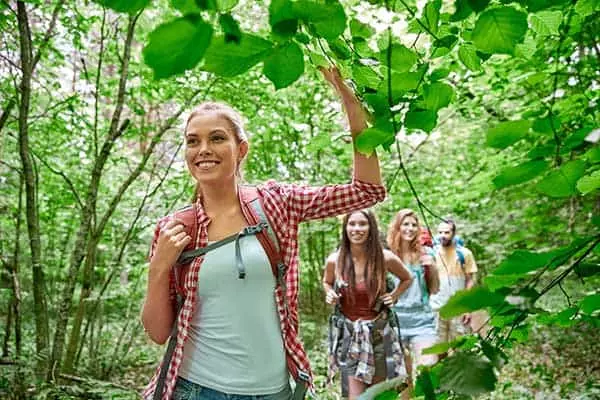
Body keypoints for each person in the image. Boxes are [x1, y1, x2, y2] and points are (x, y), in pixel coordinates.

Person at [140, 66, 387, 400]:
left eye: (217, 138)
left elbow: (366, 191)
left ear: (241, 149)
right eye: (192, 141)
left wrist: (351, 105)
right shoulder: (175, 229)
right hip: (196, 389)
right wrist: (159, 267)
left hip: (274, 391)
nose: (203, 150)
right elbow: (158, 333)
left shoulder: (277, 204)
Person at [323, 210, 412, 400]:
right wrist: (329, 293)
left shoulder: (384, 257)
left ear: (371, 227)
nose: (357, 229)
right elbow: (327, 282)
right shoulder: (335, 260)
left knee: (377, 394)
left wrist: (394, 296)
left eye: (362, 224)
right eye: (352, 224)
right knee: (354, 396)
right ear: (345, 228)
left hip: (379, 334)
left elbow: (407, 278)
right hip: (349, 334)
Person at [387, 209, 440, 383]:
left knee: (429, 370)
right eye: (405, 224)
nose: (410, 228)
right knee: (402, 380)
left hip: (422, 321)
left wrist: (432, 268)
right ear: (397, 227)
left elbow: (434, 289)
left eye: (414, 225)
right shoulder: (387, 256)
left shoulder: (426, 254)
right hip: (395, 323)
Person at [430, 218, 478, 345]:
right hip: (436, 308)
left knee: (461, 345)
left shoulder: (464, 254)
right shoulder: (432, 254)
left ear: (453, 233)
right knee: (438, 347)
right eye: (440, 232)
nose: (443, 236)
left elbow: (469, 281)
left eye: (446, 232)